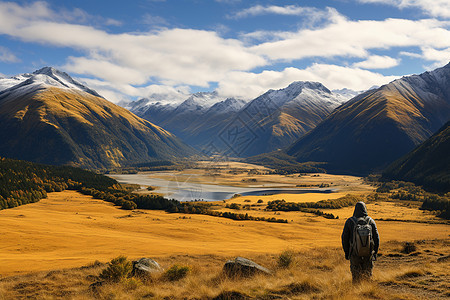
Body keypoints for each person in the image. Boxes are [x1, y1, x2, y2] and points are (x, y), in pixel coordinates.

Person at [341, 201, 379, 283]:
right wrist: (375, 252)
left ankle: (356, 293)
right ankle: (367, 292)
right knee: (367, 275)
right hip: (368, 253)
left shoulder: (350, 221)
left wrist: (347, 253)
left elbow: (344, 238)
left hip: (354, 253)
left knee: (356, 276)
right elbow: (376, 238)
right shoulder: (371, 221)